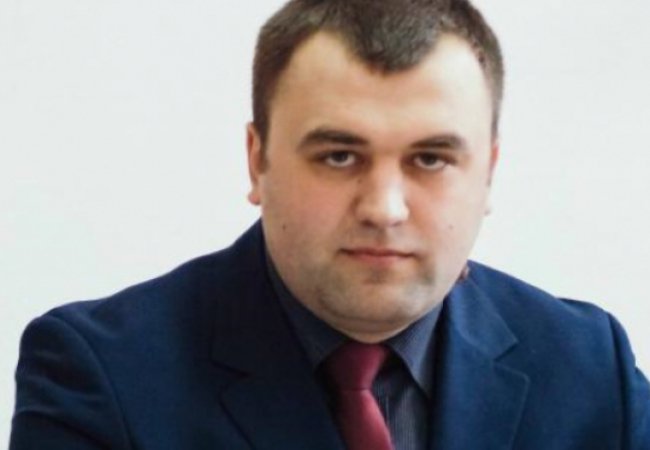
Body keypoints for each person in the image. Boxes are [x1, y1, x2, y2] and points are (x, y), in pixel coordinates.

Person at [10, 0, 650, 448]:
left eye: (431, 159)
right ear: (258, 161)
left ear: (489, 173)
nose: (385, 208)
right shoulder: (101, 375)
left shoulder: (591, 369)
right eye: (340, 156)